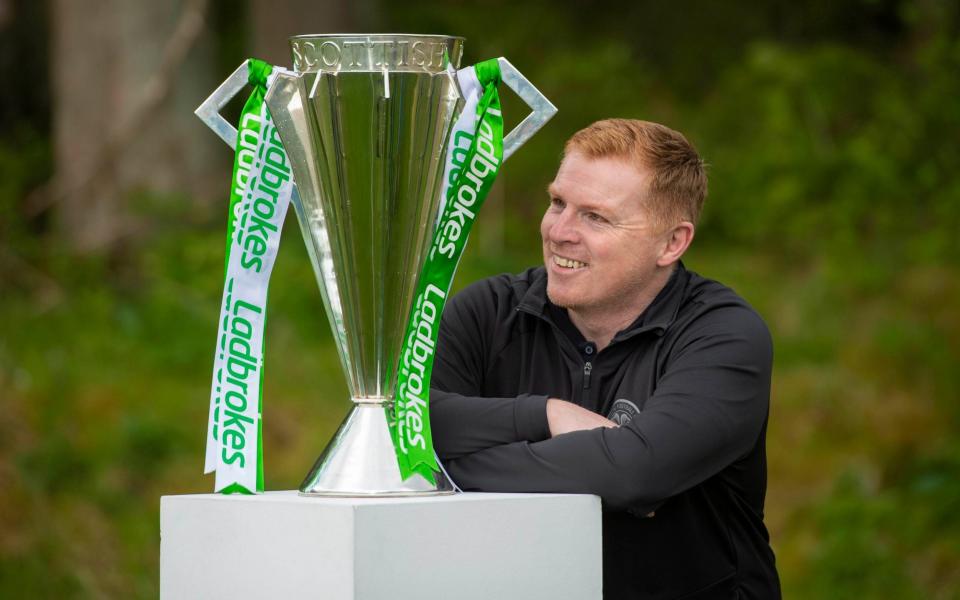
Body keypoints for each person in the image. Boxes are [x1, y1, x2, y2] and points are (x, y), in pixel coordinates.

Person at [429, 118, 781, 599]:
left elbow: (634, 473)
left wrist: (444, 469)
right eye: (558, 203)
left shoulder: (722, 336)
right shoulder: (489, 312)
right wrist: (545, 414)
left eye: (596, 217)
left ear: (671, 242)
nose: (560, 232)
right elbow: (398, 428)